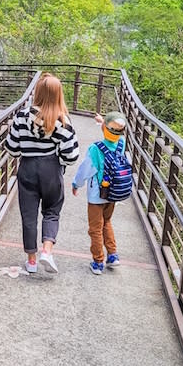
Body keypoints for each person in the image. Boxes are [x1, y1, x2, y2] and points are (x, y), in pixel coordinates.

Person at [5, 73, 79, 274]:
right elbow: (71, 155)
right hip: (51, 170)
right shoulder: (63, 120)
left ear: (37, 92)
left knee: (28, 215)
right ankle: (47, 251)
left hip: (28, 168)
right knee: (52, 212)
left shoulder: (21, 116)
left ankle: (31, 261)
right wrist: (59, 162)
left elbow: (12, 148)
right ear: (58, 94)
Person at [71, 111, 127, 275]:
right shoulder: (121, 143)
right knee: (107, 222)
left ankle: (98, 262)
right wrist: (104, 122)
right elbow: (115, 133)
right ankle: (113, 255)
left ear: (104, 128)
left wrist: (76, 184)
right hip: (114, 193)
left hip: (97, 195)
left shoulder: (95, 149)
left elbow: (86, 170)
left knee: (95, 228)